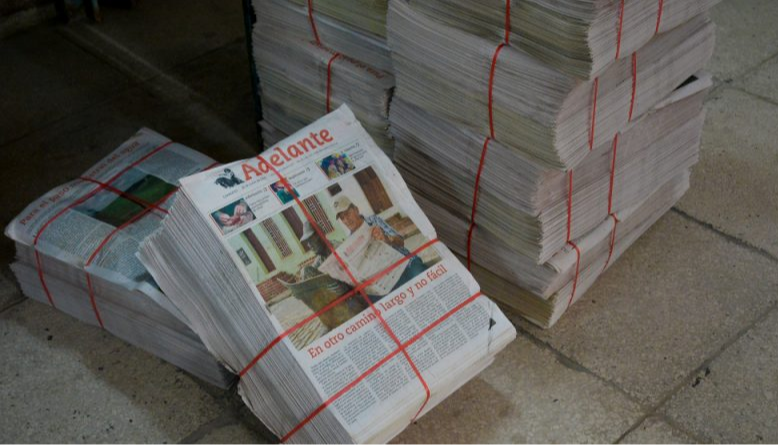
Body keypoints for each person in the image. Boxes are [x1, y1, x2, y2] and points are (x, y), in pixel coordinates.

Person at [332, 195, 427, 300]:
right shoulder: (350, 243)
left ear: (356, 210)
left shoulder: (374, 221)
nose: (346, 220)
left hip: (404, 263)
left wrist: (387, 240)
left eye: (347, 214)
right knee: (371, 299)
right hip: (385, 279)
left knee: (421, 276)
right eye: (342, 218)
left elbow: (400, 241)